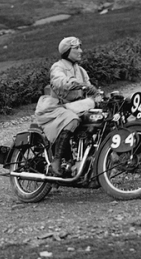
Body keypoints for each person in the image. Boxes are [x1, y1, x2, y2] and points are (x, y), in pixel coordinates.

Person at [33, 36, 101, 176]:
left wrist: (98, 96)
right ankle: (57, 161)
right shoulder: (58, 67)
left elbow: (89, 88)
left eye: (80, 47)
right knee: (72, 120)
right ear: (67, 51)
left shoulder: (81, 70)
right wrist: (78, 84)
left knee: (97, 119)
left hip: (74, 106)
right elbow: (60, 82)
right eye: (76, 48)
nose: (81, 51)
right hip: (55, 106)